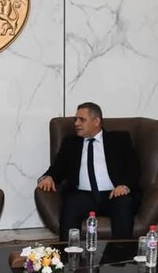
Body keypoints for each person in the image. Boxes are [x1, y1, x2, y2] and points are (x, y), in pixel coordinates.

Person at [37, 102, 140, 240]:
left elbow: (133, 167)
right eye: (76, 119)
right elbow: (57, 168)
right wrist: (48, 177)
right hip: (82, 195)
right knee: (71, 204)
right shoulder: (70, 143)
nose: (76, 124)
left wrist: (124, 186)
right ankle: (68, 251)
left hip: (113, 194)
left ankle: (120, 252)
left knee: (123, 203)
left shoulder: (119, 140)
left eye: (82, 120)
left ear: (96, 121)